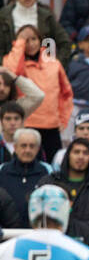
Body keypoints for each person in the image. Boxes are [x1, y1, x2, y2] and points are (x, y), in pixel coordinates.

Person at [4, 26, 74, 162]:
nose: (30, 44)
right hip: (26, 124)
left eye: (33, 39)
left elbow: (66, 94)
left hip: (51, 127)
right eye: (26, 40)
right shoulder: (14, 61)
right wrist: (19, 43)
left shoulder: (54, 63)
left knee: (52, 168)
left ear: (40, 40)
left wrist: (63, 119)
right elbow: (9, 73)